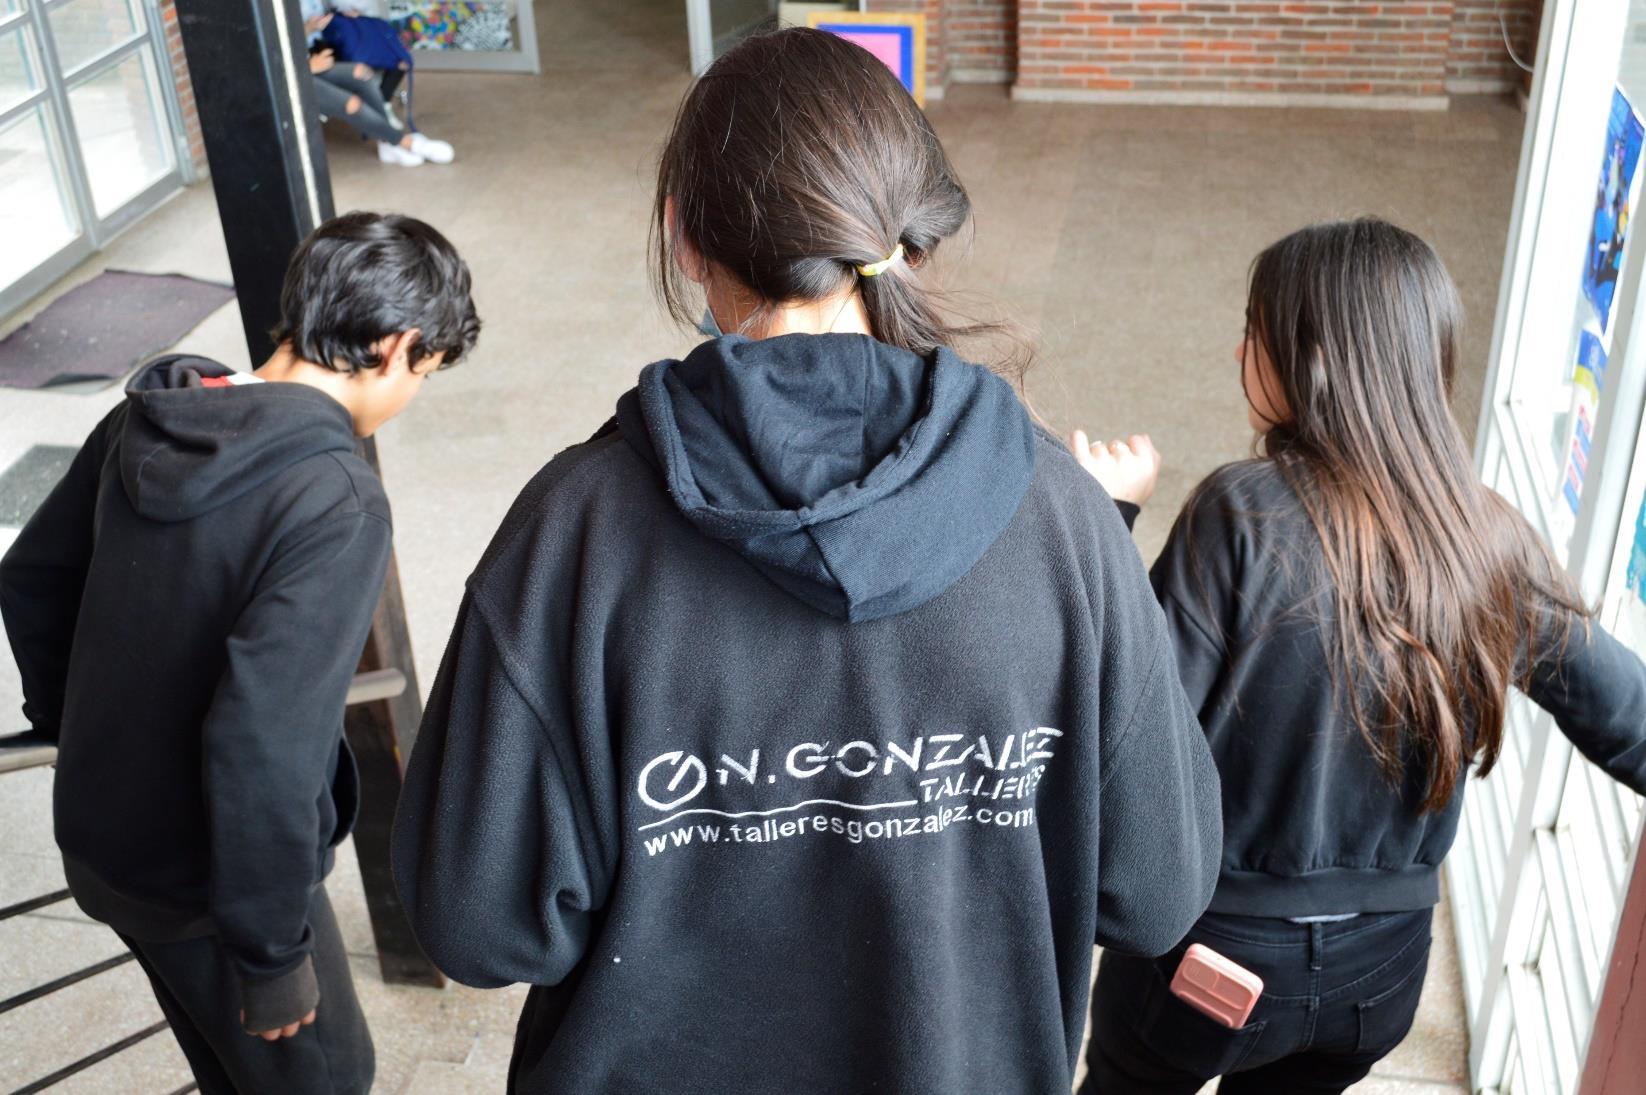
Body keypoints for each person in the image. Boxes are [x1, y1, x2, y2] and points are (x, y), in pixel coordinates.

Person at [390, 26, 1222, 1095]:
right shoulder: (1065, 525)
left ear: (681, 235)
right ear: (905, 237)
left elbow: (480, 925)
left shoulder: (572, 534)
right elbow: (1157, 890)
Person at [1071, 218, 1646, 1094]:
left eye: (1255, 332)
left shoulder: (1240, 513)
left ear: (1313, 361)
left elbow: (1128, 725)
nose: (1238, 351)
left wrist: (1105, 519)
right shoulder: (1483, 535)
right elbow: (1626, 714)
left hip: (1213, 960)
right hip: (1382, 970)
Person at [0, 212, 480, 1094]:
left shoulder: (150, 417)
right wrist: (270, 954)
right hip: (212, 885)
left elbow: (32, 579)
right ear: (396, 347)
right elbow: (265, 741)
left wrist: (83, 731)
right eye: (426, 370)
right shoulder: (335, 501)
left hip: (106, 846)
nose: (412, 392)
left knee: (226, 1070)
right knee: (329, 1077)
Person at [302, 4, 454, 167]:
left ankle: (386, 144)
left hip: (311, 58)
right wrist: (308, 59)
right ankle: (405, 142)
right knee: (352, 104)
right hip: (296, 72)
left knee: (362, 73)